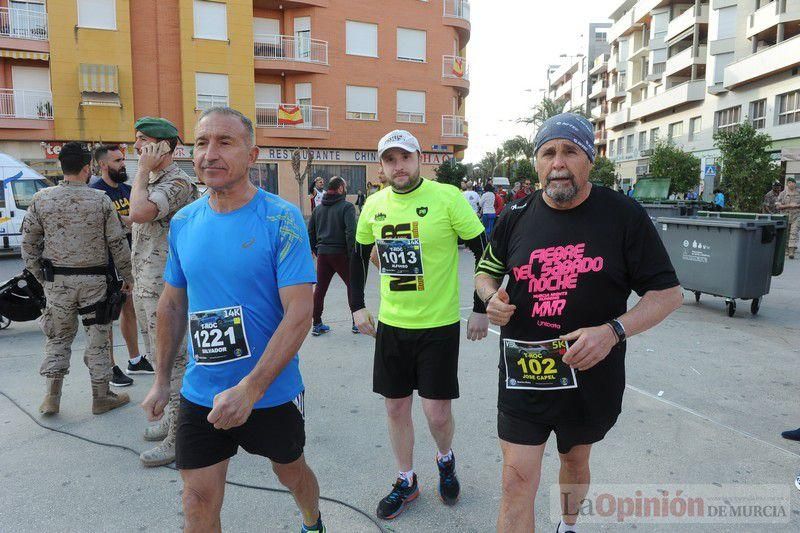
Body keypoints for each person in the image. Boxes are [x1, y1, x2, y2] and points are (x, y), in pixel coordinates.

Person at [474, 113, 683, 533]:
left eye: (570, 151)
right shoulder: (515, 213)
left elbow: (667, 294)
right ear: (536, 162)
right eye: (548, 152)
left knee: (574, 460)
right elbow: (486, 272)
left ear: (590, 159)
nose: (558, 163)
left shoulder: (623, 215)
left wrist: (613, 332)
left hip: (590, 373)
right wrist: (488, 299)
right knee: (516, 480)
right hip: (525, 372)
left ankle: (568, 525)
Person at [141, 107, 325, 533]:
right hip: (202, 391)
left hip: (270, 390)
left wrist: (250, 389)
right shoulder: (185, 221)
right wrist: (161, 378)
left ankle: (312, 518)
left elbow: (299, 313)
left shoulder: (282, 219)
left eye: (225, 142)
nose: (210, 153)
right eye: (202, 142)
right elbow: (171, 303)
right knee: (196, 500)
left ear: (252, 154)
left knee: (292, 475)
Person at [349, 129, 490, 520]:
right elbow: (358, 256)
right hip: (393, 326)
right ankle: (406, 479)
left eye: (405, 158)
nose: (399, 166)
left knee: (437, 413)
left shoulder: (447, 198)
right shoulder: (374, 205)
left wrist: (480, 306)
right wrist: (357, 306)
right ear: (381, 166)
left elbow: (485, 251)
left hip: (438, 325)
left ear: (419, 160)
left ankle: (445, 460)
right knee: (396, 408)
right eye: (390, 159)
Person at [21, 142, 133, 416]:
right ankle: (101, 396)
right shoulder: (101, 200)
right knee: (98, 338)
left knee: (58, 337)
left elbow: (28, 244)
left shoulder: (42, 199)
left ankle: (51, 397)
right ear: (87, 168)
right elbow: (117, 243)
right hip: (94, 282)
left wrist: (42, 277)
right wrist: (128, 276)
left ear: (62, 167)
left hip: (57, 283)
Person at [130, 116, 200, 466]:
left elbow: (139, 213)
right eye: (137, 141)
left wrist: (141, 172)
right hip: (146, 283)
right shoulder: (156, 179)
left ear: (164, 146)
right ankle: (172, 421)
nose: (137, 148)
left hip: (165, 289)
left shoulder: (175, 182)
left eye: (144, 141)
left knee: (174, 362)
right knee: (159, 359)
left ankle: (179, 436)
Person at [91, 144, 147, 388]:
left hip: (129, 259)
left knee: (129, 309)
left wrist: (129, 221)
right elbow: (106, 228)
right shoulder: (95, 193)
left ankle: (135, 359)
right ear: (102, 165)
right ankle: (111, 366)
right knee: (107, 316)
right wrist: (130, 221)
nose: (122, 164)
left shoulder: (128, 189)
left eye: (123, 159)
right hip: (106, 262)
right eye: (116, 161)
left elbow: (137, 220)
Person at [307, 176, 358, 336]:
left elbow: (311, 232)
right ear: (341, 189)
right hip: (341, 254)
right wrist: (352, 254)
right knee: (353, 286)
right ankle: (357, 322)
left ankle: (316, 323)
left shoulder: (318, 209)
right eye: (346, 186)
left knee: (320, 289)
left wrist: (316, 249)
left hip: (323, 254)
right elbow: (351, 232)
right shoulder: (347, 207)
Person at [777, 177, 800, 259]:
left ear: (795, 184)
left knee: (793, 233)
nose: (791, 184)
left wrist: (797, 205)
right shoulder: (782, 194)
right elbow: (778, 206)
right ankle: (786, 249)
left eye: (793, 183)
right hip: (785, 216)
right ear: (787, 184)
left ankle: (791, 251)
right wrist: (789, 205)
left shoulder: (798, 193)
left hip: (796, 216)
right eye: (790, 182)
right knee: (785, 233)